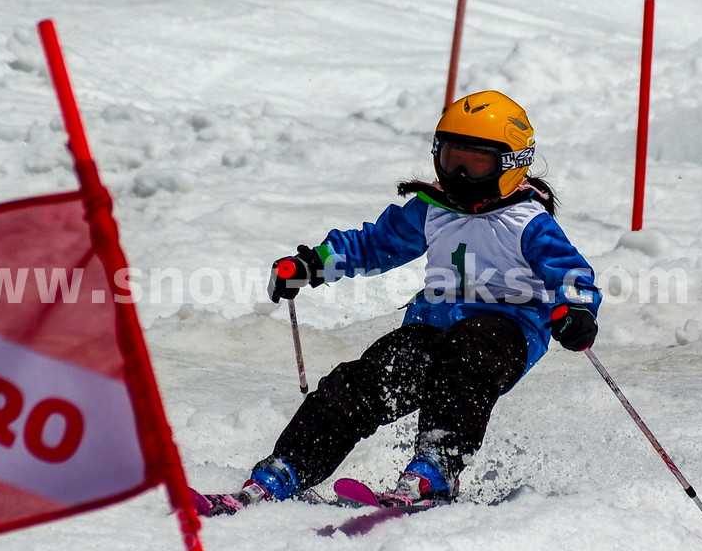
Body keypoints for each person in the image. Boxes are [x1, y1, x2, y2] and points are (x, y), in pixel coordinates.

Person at [195, 90, 601, 515]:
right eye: (451, 159)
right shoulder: (431, 210)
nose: (460, 175)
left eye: (475, 163)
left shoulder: (528, 222)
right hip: (435, 328)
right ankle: (283, 472)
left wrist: (576, 311)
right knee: (365, 379)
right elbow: (374, 245)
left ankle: (435, 470)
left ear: (511, 165)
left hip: (505, 333)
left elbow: (573, 275)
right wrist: (314, 263)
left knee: (468, 350)